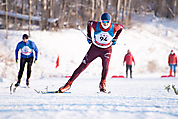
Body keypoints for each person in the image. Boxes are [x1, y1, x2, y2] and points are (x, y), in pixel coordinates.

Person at [56, 13, 123, 93]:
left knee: (106, 66)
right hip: (95, 48)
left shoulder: (114, 27)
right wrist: (89, 36)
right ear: (101, 21)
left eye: (107, 22)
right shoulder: (96, 25)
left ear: (110, 21)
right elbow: (89, 23)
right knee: (82, 66)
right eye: (103, 22)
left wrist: (115, 38)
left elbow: (121, 28)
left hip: (106, 49)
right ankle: (68, 84)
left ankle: (102, 84)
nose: (105, 24)